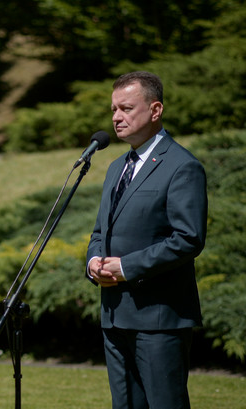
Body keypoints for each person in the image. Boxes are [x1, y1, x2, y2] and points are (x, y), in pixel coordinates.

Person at [86, 71, 207, 409]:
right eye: (113, 109)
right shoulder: (114, 168)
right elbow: (100, 232)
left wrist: (127, 267)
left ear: (155, 110)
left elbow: (188, 238)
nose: (116, 117)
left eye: (126, 108)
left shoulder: (183, 166)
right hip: (114, 315)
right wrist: (93, 261)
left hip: (159, 320)